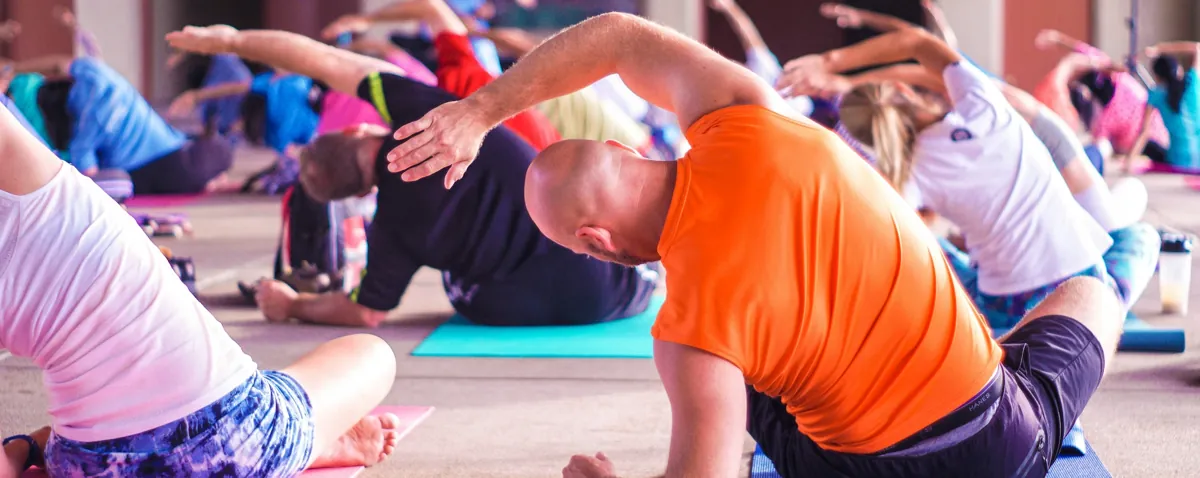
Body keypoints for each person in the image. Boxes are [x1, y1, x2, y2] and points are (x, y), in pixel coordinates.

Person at [382, 12, 1124, 477]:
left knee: (735, 381)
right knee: (1091, 291)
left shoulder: (689, 336)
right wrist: (480, 113)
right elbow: (618, 37)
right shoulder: (747, 116)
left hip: (859, 467)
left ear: (594, 239)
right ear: (617, 147)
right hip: (1002, 440)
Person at [0, 102, 402, 476]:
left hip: (89, 466)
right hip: (231, 442)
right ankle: (309, 437)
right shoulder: (31, 182)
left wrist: (20, 451)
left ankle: (305, 431)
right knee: (373, 354)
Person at [166, 24, 659, 329]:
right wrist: (232, 41)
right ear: (361, 127)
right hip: (616, 281)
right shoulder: (417, 112)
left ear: (359, 194)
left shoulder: (391, 232)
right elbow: (326, 60)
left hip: (517, 308)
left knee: (458, 287)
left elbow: (365, 312)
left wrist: (294, 304)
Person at [786, 27, 1160, 330]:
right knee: (1141, 236)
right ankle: (1107, 310)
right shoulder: (983, 105)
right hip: (1081, 286)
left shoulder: (910, 173)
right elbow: (918, 42)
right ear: (902, 90)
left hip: (1005, 309)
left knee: (930, 247)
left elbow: (881, 241)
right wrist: (830, 64)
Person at [321, 0, 560, 151]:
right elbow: (431, 7)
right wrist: (365, 21)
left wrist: (365, 21)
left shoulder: (465, 84)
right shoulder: (467, 80)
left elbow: (430, 7)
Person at [10, 55, 234, 195]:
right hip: (172, 147)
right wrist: (15, 68)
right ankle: (208, 176)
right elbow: (59, 64)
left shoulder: (83, 136)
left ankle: (204, 178)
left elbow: (89, 182)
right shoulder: (101, 76)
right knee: (222, 151)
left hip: (148, 167)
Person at [1036, 29, 1169, 171]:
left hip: (1145, 146)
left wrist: (1059, 43)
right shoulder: (1121, 79)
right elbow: (1086, 51)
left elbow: (1082, 51)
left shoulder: (1105, 120)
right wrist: (1058, 39)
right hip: (1158, 139)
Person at [1136, 43, 1200, 171]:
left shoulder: (1155, 95)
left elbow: (1144, 133)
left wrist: (1129, 161)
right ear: (1178, 70)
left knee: (1150, 147)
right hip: (1197, 162)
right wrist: (1158, 49)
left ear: (1157, 76)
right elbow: (1196, 47)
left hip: (1175, 161)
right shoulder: (1192, 82)